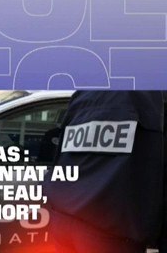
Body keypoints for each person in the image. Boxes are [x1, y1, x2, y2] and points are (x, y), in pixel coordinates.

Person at [45, 91, 165, 253]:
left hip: (63, 220)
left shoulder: (84, 93)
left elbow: (60, 157)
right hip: (109, 232)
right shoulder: (154, 97)